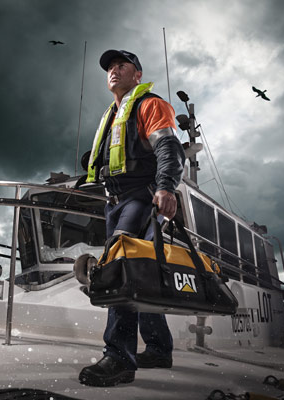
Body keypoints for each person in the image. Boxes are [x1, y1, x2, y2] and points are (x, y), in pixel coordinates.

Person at [78, 49, 185, 387]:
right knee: (141, 273)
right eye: (110, 67)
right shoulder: (112, 115)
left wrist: (166, 187)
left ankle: (120, 358)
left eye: (122, 65)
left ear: (137, 74)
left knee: (120, 272)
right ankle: (158, 348)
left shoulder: (149, 104)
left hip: (142, 198)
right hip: (116, 202)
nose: (114, 70)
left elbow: (169, 147)